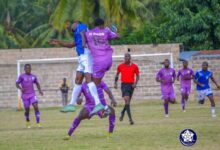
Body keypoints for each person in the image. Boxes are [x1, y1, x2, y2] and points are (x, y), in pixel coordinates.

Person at [49, 21, 105, 114]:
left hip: (86, 55)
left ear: (76, 23)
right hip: (81, 57)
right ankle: (71, 104)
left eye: (72, 26)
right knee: (78, 79)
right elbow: (71, 45)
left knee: (88, 79)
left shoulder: (81, 26)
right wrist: (59, 42)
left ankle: (98, 104)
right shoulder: (77, 34)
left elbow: (83, 33)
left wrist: (83, 44)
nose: (71, 28)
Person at [114, 53, 139, 125]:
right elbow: (117, 74)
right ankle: (130, 119)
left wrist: (135, 83)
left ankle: (122, 112)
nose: (126, 58)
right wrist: (115, 83)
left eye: (127, 57)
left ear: (130, 58)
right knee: (127, 100)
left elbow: (137, 76)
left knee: (127, 103)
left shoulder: (135, 66)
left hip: (131, 86)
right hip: (124, 85)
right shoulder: (120, 66)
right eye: (125, 57)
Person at [16, 64, 43, 128]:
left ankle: (38, 123)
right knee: (27, 109)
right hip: (25, 95)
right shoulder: (21, 76)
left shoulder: (33, 76)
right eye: (27, 69)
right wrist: (20, 88)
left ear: (31, 69)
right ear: (24, 69)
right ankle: (27, 121)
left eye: (29, 68)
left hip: (32, 94)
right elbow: (16, 83)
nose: (28, 70)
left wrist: (40, 91)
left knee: (36, 106)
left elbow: (37, 83)